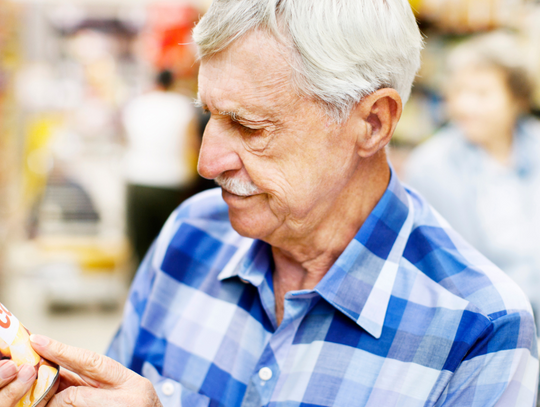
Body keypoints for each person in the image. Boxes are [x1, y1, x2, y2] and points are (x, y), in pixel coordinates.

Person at [1, 2, 538, 407]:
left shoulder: (481, 329)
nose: (207, 162)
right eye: (209, 115)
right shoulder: (190, 235)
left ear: (372, 122)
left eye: (249, 126)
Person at [404, 31, 540, 318]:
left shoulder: (535, 144)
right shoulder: (431, 166)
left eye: (481, 93)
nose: (466, 106)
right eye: (459, 92)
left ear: (516, 98)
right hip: (488, 323)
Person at [123, 69, 199, 266]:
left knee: (139, 249)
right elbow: (191, 145)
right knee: (169, 247)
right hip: (171, 184)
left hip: (138, 180)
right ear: (173, 83)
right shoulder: (182, 106)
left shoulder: (137, 105)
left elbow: (126, 141)